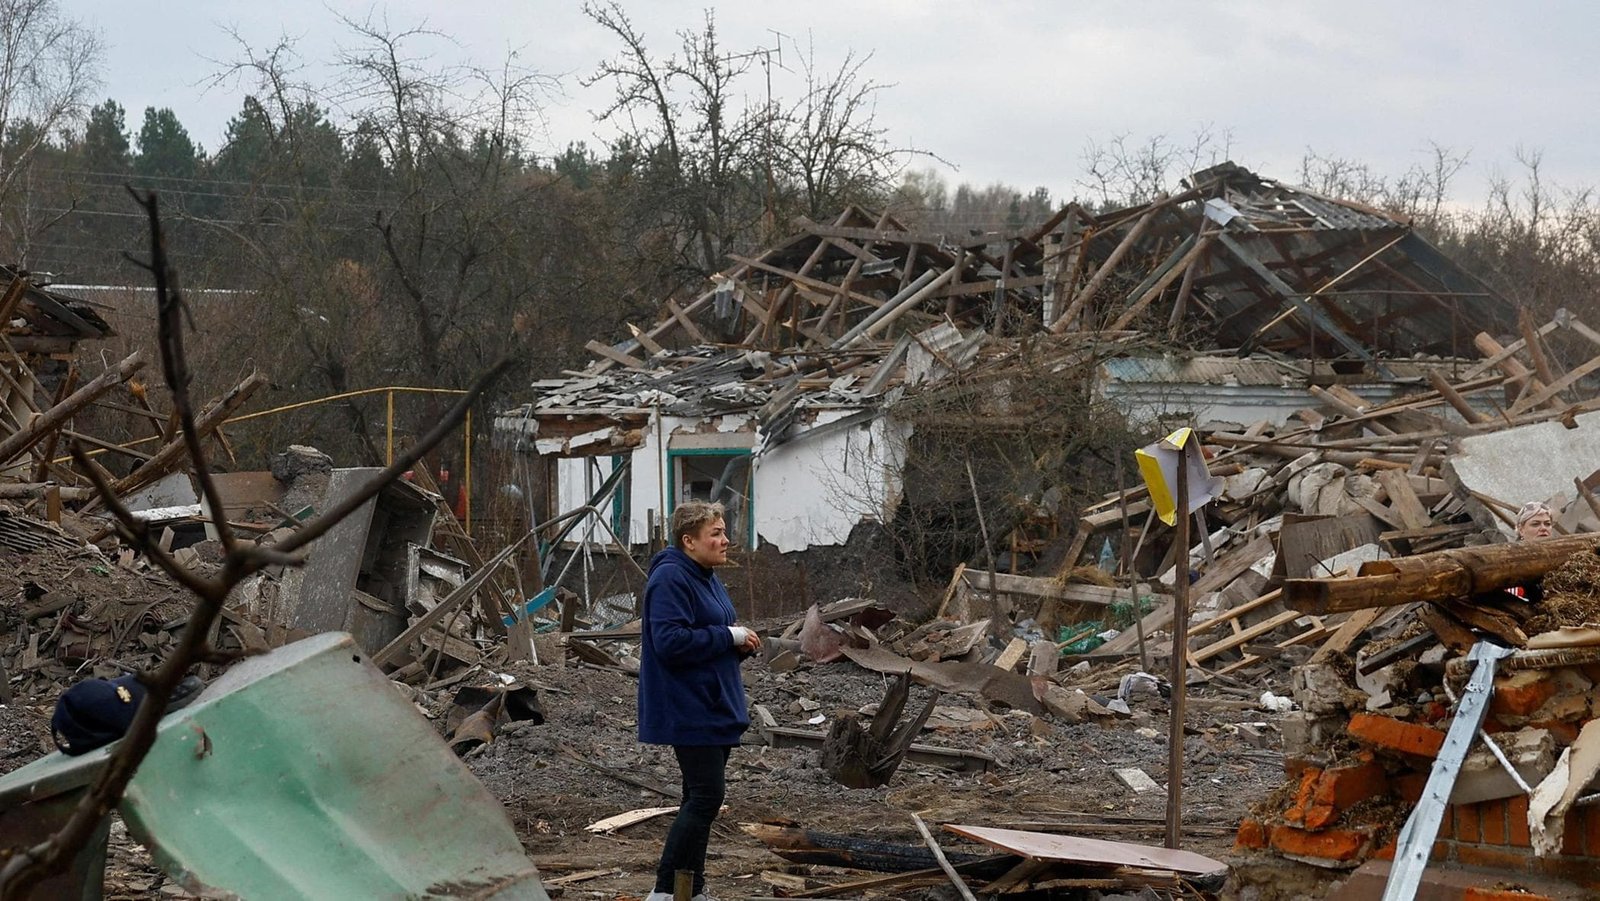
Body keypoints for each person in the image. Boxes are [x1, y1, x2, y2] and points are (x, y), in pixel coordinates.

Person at [639, 500, 760, 901]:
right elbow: (669, 642)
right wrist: (729, 637)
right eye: (716, 534)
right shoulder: (671, 579)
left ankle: (691, 891)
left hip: (714, 705)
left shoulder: (705, 575)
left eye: (724, 532)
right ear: (689, 540)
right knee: (707, 797)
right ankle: (663, 891)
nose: (726, 541)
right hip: (689, 707)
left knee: (700, 799)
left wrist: (737, 644)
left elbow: (712, 629)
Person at [1505, 501, 1554, 602]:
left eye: (1547, 524)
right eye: (1535, 524)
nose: (1543, 528)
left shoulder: (1559, 554)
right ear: (1521, 529)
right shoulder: (1511, 559)